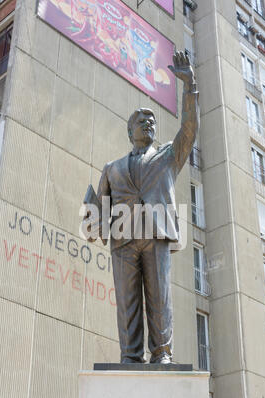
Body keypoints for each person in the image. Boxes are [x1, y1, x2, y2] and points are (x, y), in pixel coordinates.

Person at [85, 51, 199, 364]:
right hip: (122, 239)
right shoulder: (112, 167)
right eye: (140, 121)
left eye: (151, 121)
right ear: (130, 131)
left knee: (160, 297)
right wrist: (92, 219)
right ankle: (131, 355)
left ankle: (162, 352)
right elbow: (99, 211)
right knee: (127, 301)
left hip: (156, 234)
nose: (147, 123)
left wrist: (189, 86)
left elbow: (189, 129)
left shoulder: (167, 157)